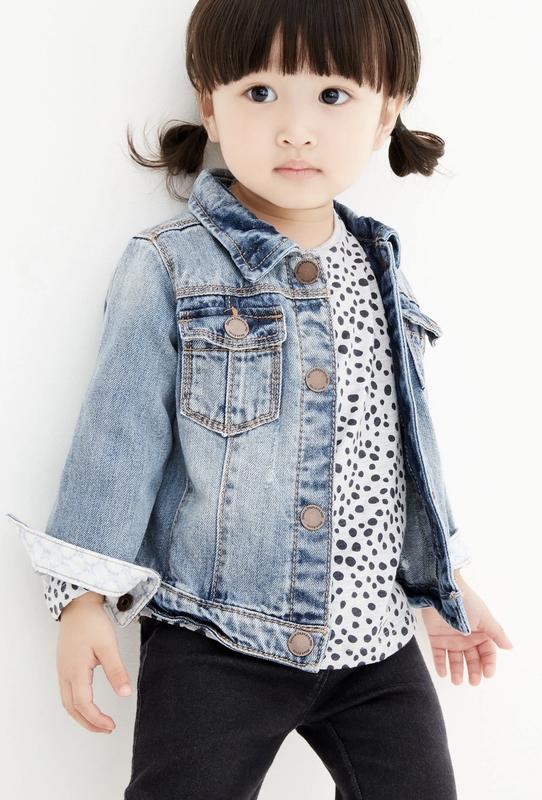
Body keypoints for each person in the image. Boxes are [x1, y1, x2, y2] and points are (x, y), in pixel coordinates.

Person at [6, 1, 514, 798]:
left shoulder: (382, 266)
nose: (296, 131)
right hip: (219, 637)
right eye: (260, 93)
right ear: (211, 106)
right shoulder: (173, 266)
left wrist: (443, 585)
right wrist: (83, 600)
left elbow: (398, 446)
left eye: (333, 96)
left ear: (386, 112)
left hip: (375, 646)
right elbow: (119, 438)